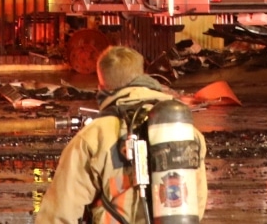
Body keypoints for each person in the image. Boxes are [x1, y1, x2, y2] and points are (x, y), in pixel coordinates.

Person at [36, 46, 208, 224]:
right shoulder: (186, 132)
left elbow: (60, 213)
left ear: (101, 86)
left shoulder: (94, 137)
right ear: (142, 75)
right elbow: (196, 203)